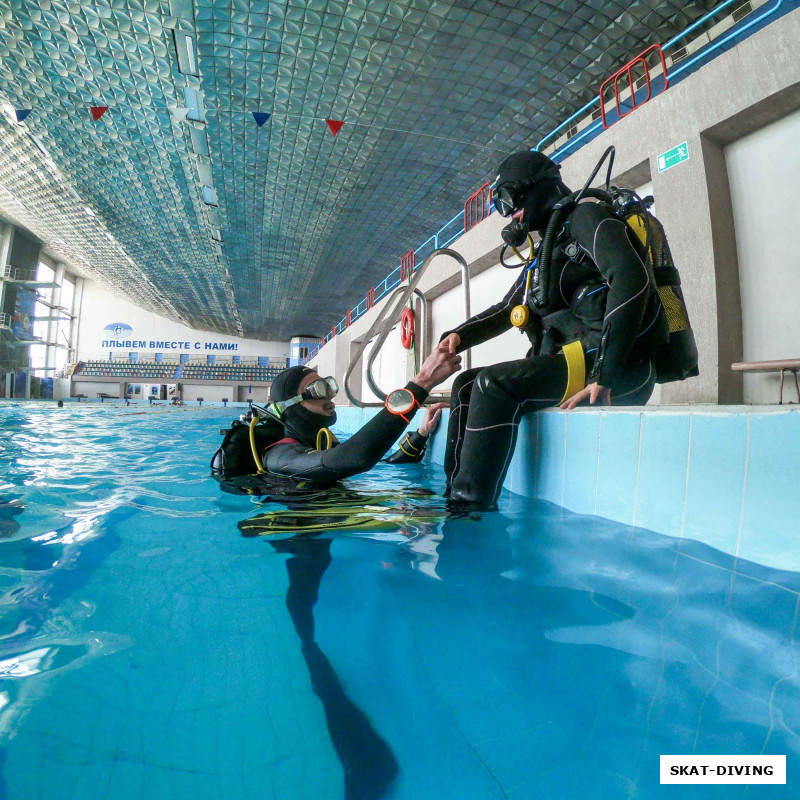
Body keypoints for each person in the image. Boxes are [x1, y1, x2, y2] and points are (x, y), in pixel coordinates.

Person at [440, 149, 670, 509]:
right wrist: (457, 336)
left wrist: (605, 374)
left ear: (537, 188)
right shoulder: (549, 246)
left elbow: (630, 278)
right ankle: (450, 498)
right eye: (500, 206)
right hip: (576, 361)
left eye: (509, 200)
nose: (509, 213)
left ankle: (468, 512)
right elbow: (508, 309)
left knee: (491, 386)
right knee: (466, 384)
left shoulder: (587, 216)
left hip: (619, 368)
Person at [212, 345, 460, 489]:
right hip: (303, 539)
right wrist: (421, 383)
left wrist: (421, 435)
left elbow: (383, 463)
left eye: (329, 387)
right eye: (317, 390)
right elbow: (357, 457)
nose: (329, 397)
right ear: (291, 405)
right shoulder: (280, 457)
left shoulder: (321, 442)